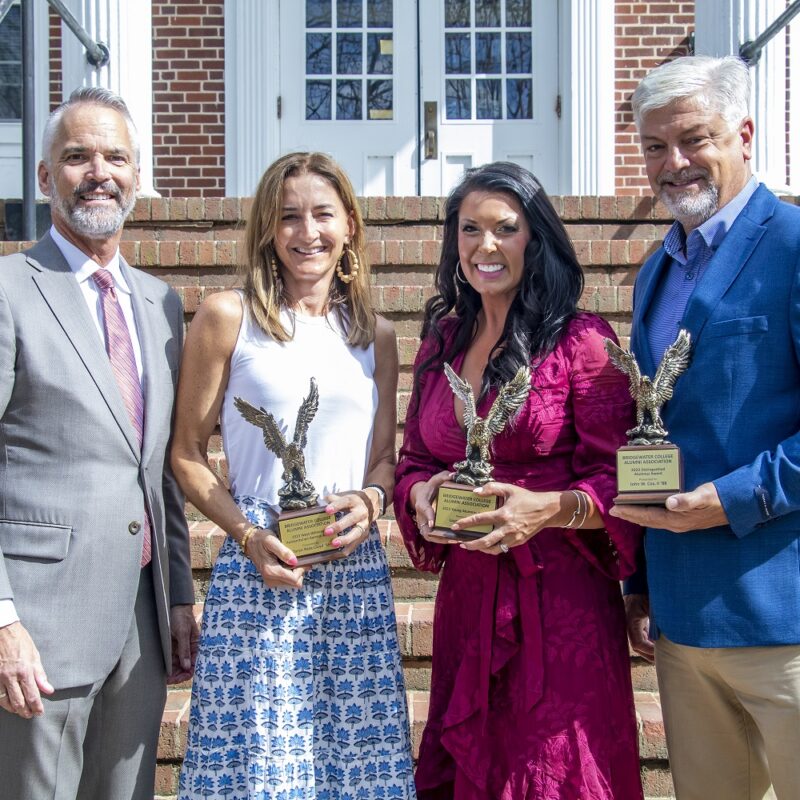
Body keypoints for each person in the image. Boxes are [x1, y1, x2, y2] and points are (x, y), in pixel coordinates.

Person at [394, 161, 643, 799]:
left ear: (536, 238)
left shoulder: (582, 341)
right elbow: (416, 457)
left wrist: (550, 510)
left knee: (552, 771)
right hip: (469, 595)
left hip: (559, 600)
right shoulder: (443, 340)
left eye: (506, 228)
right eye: (470, 229)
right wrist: (420, 494)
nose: (485, 246)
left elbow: (622, 477)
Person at [173, 151, 415, 798]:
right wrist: (246, 536)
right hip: (262, 571)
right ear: (266, 230)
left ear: (350, 228)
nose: (307, 233)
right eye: (288, 217)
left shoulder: (377, 335)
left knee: (357, 771)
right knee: (259, 769)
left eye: (322, 214)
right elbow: (187, 454)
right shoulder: (229, 318)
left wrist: (371, 500)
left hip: (353, 576)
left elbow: (384, 460)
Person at [610, 55, 800, 800]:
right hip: (683, 624)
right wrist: (640, 580)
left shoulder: (792, 246)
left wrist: (731, 500)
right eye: (656, 146)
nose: (674, 162)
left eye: (694, 139)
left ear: (744, 133)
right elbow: (652, 428)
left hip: (783, 615)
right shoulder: (657, 269)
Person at [0, 87, 196, 799]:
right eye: (78, 156)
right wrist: (3, 622)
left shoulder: (160, 302)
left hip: (139, 626)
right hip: (39, 625)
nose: (99, 171)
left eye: (116, 156)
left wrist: (176, 597)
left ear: (138, 176)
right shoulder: (8, 290)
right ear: (46, 177)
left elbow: (162, 468)